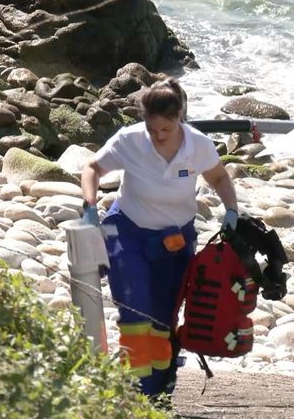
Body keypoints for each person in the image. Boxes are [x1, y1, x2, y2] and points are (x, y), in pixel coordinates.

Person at [80, 78, 239, 399]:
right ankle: (136, 395)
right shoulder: (130, 140)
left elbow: (219, 177)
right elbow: (92, 169)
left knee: (163, 319)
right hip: (128, 231)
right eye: (152, 130)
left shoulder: (198, 146)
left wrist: (231, 209)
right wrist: (90, 207)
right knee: (135, 312)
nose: (158, 137)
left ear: (179, 116)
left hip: (175, 239)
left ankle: (159, 391)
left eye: (165, 130)